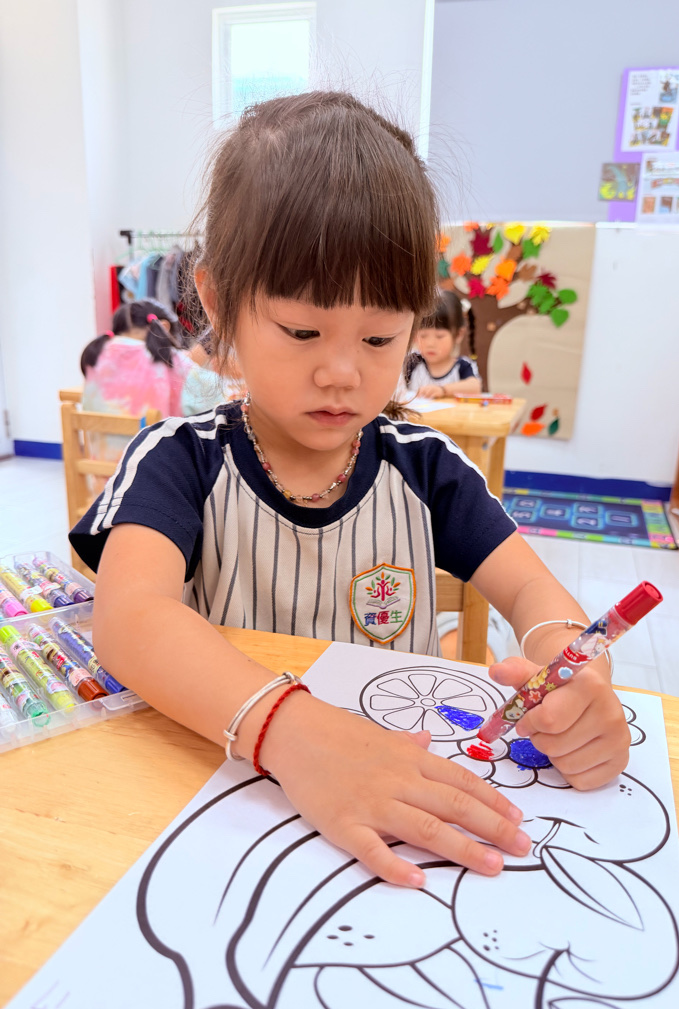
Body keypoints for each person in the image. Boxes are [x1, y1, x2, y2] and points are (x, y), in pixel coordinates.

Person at [70, 92, 630, 890]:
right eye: (302, 331)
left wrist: (573, 673)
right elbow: (128, 621)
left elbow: (534, 593)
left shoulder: (426, 468)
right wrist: (297, 734)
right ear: (220, 304)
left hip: (403, 839)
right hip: (228, 814)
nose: (342, 371)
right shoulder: (179, 461)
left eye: (379, 336)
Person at [80, 299, 231, 429]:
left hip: (100, 452)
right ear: (164, 326)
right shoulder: (169, 360)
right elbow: (220, 396)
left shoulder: (98, 354)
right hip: (151, 453)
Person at [404, 290, 481, 398]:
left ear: (458, 334)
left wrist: (443, 390)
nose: (430, 344)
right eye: (423, 336)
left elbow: (475, 387)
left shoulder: (462, 366)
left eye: (439, 336)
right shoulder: (412, 362)